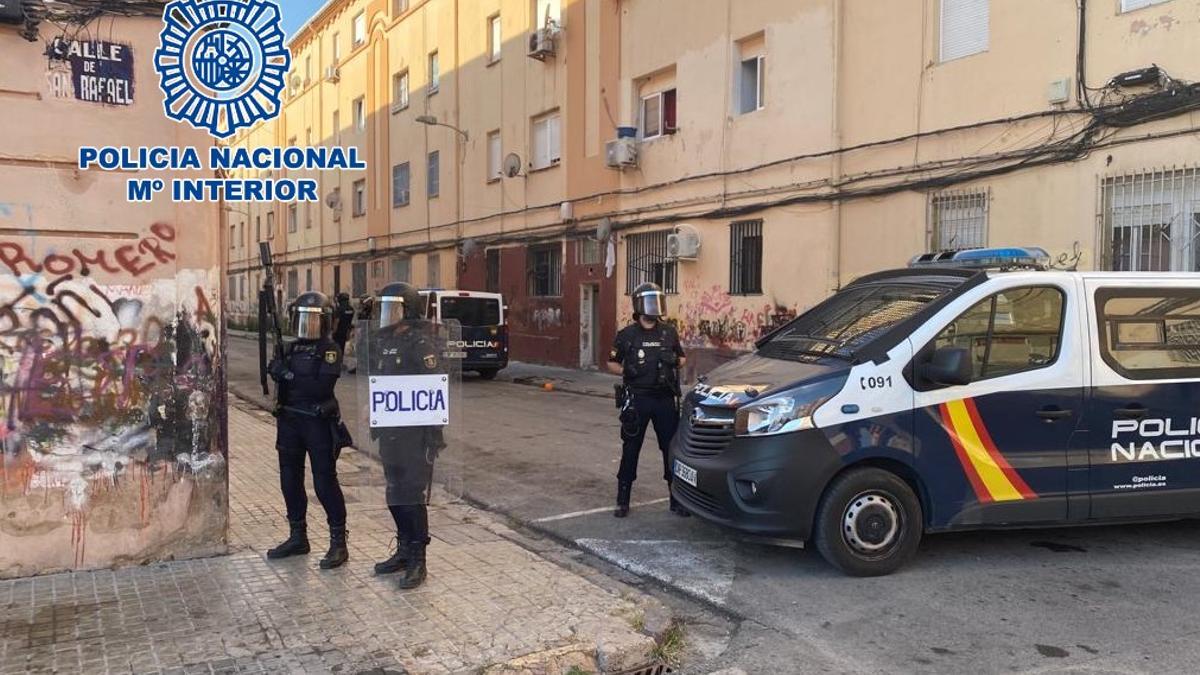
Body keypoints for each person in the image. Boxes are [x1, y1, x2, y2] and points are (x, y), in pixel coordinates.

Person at [265, 291, 353, 569]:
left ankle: (338, 543)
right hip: (290, 421)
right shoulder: (290, 348)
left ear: (326, 322)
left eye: (314, 321)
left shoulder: (329, 349)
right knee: (289, 480)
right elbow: (282, 384)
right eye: (303, 320)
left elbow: (320, 388)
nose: (307, 327)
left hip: (317, 423)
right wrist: (275, 368)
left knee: (324, 483)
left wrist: (285, 374)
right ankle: (297, 536)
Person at [368, 281, 445, 589]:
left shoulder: (421, 344)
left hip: (416, 435)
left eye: (394, 309)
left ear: (410, 311)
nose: (388, 315)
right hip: (390, 433)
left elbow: (433, 389)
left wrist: (433, 436)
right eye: (385, 309)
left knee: (412, 496)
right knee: (394, 492)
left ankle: (418, 559)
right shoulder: (384, 341)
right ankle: (402, 549)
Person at [607, 282, 690, 518]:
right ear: (639, 305)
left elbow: (683, 360)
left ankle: (676, 500)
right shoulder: (627, 335)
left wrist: (673, 358)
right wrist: (626, 369)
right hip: (638, 399)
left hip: (664, 399)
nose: (655, 306)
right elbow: (611, 362)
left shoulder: (668, 332)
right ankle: (623, 500)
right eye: (650, 301)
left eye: (658, 301)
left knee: (670, 449)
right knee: (631, 448)